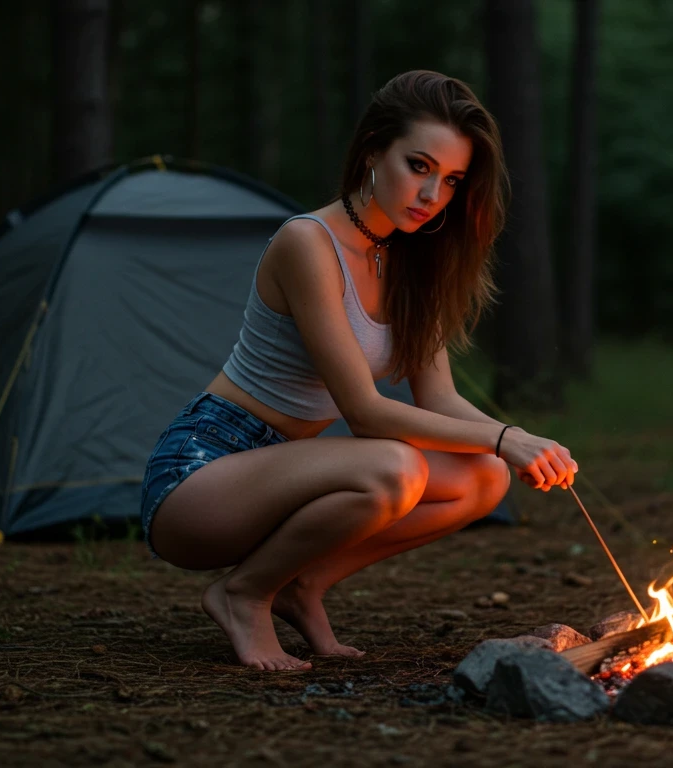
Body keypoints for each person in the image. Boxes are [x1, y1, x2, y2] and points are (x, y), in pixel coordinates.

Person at [139, 71, 579, 670]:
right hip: (202, 476)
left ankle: (302, 584)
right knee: (394, 467)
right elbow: (365, 414)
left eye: (452, 180)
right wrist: (503, 436)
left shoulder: (412, 262)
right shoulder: (308, 243)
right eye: (419, 166)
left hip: (292, 473)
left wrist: (517, 442)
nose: (432, 194)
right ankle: (244, 593)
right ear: (373, 150)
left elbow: (439, 398)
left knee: (485, 477)